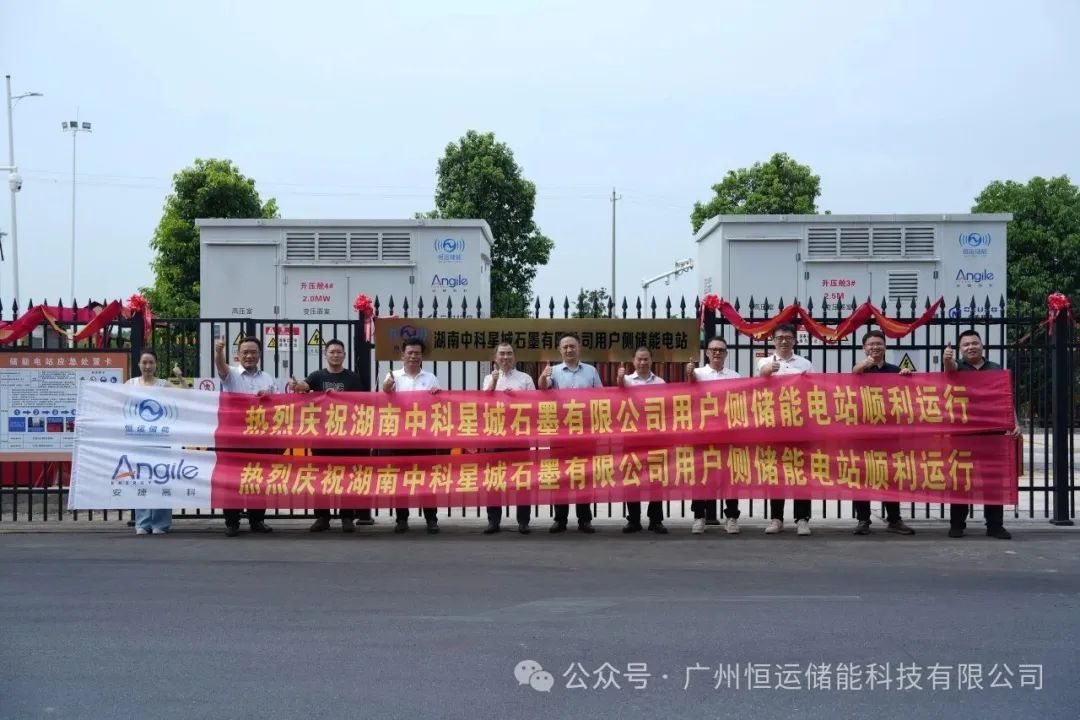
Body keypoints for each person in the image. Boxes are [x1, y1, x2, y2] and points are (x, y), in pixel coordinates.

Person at [943, 329, 1017, 540]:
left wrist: (1014, 421)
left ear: (982, 344)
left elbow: (1006, 397)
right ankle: (957, 524)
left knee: (992, 480)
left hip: (992, 433)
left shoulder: (995, 368)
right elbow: (949, 369)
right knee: (961, 480)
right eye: (966, 345)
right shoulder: (957, 367)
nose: (971, 347)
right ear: (960, 349)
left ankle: (995, 525)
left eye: (974, 343)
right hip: (963, 433)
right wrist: (947, 359)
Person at [290, 338, 369, 533]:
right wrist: (298, 385)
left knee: (347, 477)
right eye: (332, 352)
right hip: (321, 436)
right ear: (325, 355)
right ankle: (322, 517)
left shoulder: (352, 378)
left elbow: (360, 403)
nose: (335, 355)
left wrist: (340, 398)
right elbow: (305, 386)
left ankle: (347, 516)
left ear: (344, 355)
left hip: (346, 437)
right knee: (321, 476)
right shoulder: (317, 376)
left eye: (339, 352)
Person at [850, 330, 916, 536]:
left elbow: (908, 395)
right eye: (871, 344)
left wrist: (906, 376)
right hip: (863, 432)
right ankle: (863, 519)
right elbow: (854, 373)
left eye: (879, 343)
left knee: (890, 475)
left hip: (889, 432)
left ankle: (894, 519)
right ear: (864, 348)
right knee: (862, 475)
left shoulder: (895, 370)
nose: (875, 347)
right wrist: (865, 364)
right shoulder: (859, 370)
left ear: (885, 346)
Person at [215, 335, 279, 537]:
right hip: (234, 437)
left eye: (253, 352)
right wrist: (218, 352)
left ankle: (257, 520)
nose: (249, 356)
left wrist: (268, 398)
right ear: (238, 355)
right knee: (231, 480)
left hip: (261, 438)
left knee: (258, 479)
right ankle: (232, 522)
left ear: (259, 355)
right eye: (245, 352)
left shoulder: (268, 378)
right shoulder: (231, 374)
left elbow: (279, 407)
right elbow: (221, 367)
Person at [538, 333, 601, 533]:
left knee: (585, 474)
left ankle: (585, 520)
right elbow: (543, 389)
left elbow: (602, 398)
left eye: (572, 346)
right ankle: (560, 519)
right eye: (565, 347)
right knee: (560, 475)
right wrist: (543, 376)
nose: (569, 350)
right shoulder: (553, 371)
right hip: (561, 432)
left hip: (585, 432)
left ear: (579, 348)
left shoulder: (591, 371)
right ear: (560, 350)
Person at [758, 324, 814, 536]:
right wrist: (768, 371)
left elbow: (812, 390)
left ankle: (802, 519)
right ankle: (776, 518)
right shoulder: (765, 362)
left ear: (794, 341)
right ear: (773, 340)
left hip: (799, 425)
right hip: (774, 425)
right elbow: (758, 382)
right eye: (780, 337)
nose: (784, 341)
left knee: (802, 472)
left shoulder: (805, 363)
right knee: (776, 472)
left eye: (788, 337)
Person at [382, 338, 441, 534]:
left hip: (424, 437)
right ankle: (401, 519)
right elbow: (382, 399)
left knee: (427, 478)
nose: (413, 356)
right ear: (402, 355)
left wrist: (437, 394)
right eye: (410, 353)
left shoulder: (430, 378)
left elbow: (438, 406)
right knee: (401, 478)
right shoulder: (392, 376)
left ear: (422, 356)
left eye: (417, 353)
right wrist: (387, 388)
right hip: (400, 436)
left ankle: (431, 519)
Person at [685, 336, 743, 534]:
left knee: (730, 476)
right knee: (701, 475)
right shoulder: (698, 374)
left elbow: (739, 404)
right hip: (702, 433)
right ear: (707, 353)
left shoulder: (734, 376)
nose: (717, 353)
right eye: (713, 350)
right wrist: (690, 376)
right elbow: (688, 396)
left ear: (726, 354)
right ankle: (699, 516)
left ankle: (732, 517)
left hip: (727, 434)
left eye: (721, 350)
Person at [481, 343, 536, 534]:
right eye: (502, 354)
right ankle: (493, 521)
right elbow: (483, 402)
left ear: (515, 357)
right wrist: (494, 382)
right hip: (495, 436)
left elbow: (535, 404)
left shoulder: (525, 378)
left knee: (522, 479)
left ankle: (523, 521)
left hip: (519, 436)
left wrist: (516, 398)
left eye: (509, 354)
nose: (506, 357)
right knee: (494, 479)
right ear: (495, 357)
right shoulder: (488, 378)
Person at [617, 347, 668, 534]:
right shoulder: (626, 381)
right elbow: (617, 398)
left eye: (646, 359)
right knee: (632, 477)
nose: (643, 363)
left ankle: (656, 520)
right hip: (632, 437)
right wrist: (619, 380)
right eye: (639, 359)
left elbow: (666, 408)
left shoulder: (660, 382)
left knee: (656, 478)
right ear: (633, 361)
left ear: (651, 361)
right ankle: (633, 520)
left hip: (655, 437)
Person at [127, 349, 173, 535]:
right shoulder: (130, 385)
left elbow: (187, 398)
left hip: (160, 439)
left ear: (156, 365)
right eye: (144, 362)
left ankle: (161, 523)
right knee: (141, 480)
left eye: (151, 362)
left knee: (161, 480)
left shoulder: (164, 385)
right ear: (139, 364)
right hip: (138, 440)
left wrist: (180, 377)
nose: (147, 366)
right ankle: (142, 522)